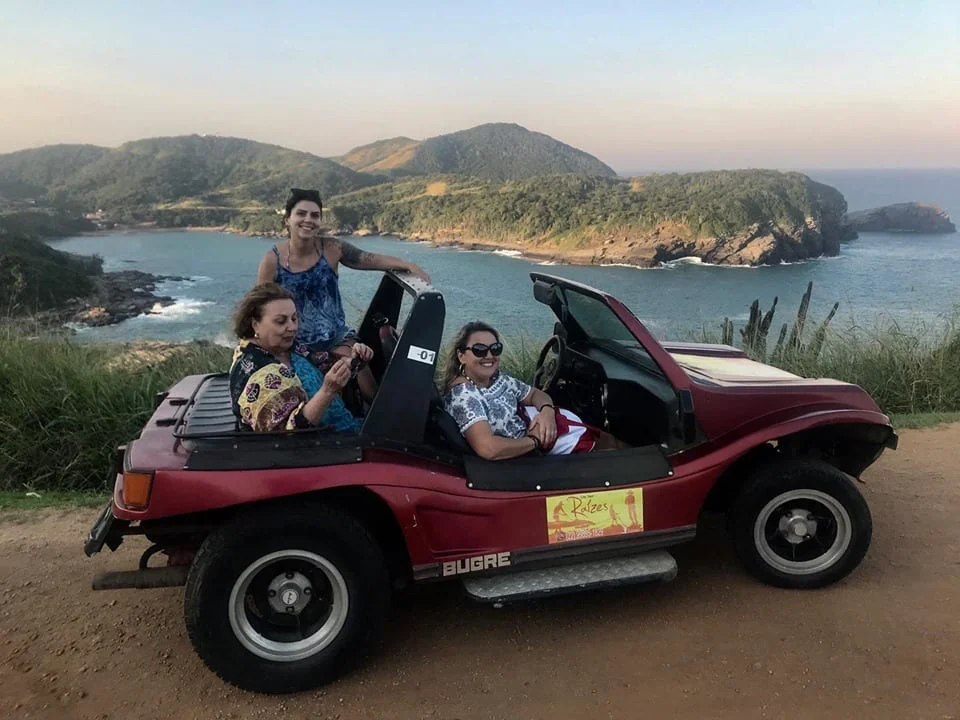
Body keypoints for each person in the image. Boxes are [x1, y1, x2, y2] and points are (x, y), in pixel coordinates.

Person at [256, 188, 430, 401]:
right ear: (287, 220)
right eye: (301, 214)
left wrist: (406, 265)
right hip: (294, 342)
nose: (308, 220)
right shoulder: (272, 260)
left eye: (315, 215)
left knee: (368, 386)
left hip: (336, 337)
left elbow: (368, 259)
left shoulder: (331, 248)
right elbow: (259, 306)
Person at [441, 321, 619, 460]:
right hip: (530, 450)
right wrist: (534, 441)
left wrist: (547, 413)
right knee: (611, 450)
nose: (489, 356)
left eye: (495, 349)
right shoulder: (464, 396)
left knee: (607, 439)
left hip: (542, 423)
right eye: (479, 350)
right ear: (461, 355)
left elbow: (535, 394)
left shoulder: (496, 378)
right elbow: (488, 448)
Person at [229, 282, 372, 433]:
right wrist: (327, 391)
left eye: (294, 318)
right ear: (255, 324)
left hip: (346, 428)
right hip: (328, 447)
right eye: (281, 321)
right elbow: (291, 433)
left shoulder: (287, 348)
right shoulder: (257, 372)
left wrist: (355, 360)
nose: (292, 327)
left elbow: (324, 363)